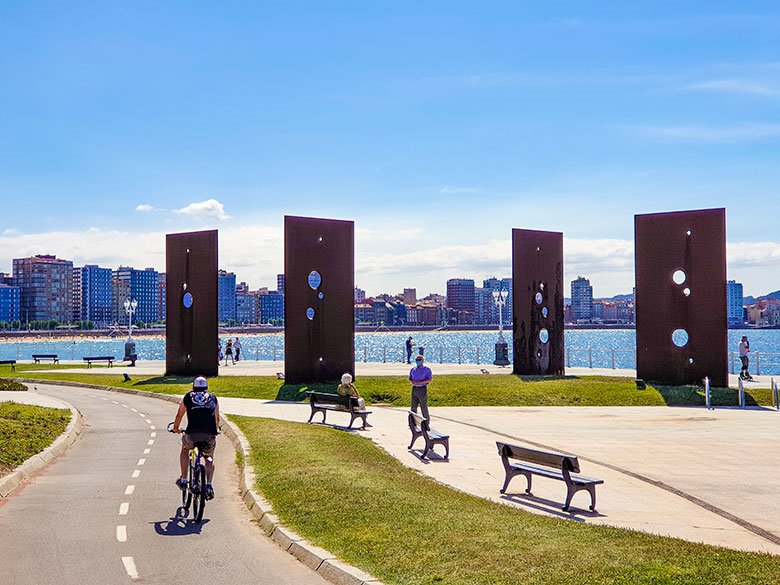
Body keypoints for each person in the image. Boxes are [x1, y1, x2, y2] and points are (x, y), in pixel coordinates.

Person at [173, 376, 220, 500]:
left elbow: (179, 415)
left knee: (184, 449)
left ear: (193, 387)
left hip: (191, 434)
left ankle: (183, 479)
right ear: (206, 388)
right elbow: (217, 419)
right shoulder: (213, 398)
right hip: (209, 434)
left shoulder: (188, 397)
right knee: (209, 457)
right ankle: (209, 485)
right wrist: (216, 429)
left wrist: (176, 428)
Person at [409, 354, 433, 421]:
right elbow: (410, 378)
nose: (418, 361)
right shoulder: (413, 370)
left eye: (419, 360)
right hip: (414, 389)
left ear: (422, 361)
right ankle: (413, 421)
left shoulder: (427, 370)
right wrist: (412, 382)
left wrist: (421, 382)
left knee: (423, 406)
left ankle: (426, 422)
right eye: (417, 360)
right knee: (413, 406)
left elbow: (430, 379)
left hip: (422, 389)